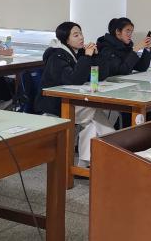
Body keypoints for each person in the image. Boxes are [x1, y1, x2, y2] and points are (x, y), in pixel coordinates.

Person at [40, 22, 117, 165]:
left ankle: (84, 164)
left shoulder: (78, 53)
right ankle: (114, 143)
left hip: (73, 101)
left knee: (91, 122)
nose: (81, 37)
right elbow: (74, 80)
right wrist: (86, 57)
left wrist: (96, 56)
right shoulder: (57, 56)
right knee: (93, 112)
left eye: (81, 33)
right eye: (76, 35)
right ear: (66, 39)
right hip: (57, 104)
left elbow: (100, 76)